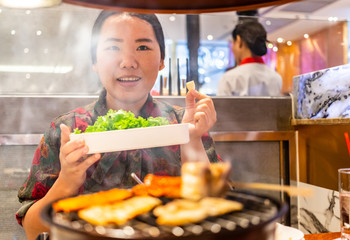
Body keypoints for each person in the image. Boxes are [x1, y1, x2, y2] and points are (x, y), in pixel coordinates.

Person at [16, 10, 219, 240]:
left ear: (162, 60)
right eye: (113, 47)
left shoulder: (183, 122)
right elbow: (32, 231)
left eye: (142, 47)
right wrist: (67, 181)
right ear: (94, 60)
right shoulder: (67, 129)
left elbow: (219, 212)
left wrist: (191, 140)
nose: (128, 63)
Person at [217, 19, 282, 96]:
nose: (233, 48)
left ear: (239, 41)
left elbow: (222, 107)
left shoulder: (229, 78)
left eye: (233, 43)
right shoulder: (276, 77)